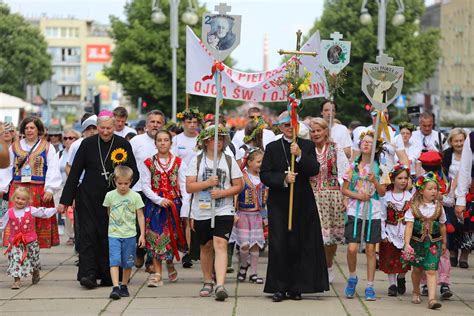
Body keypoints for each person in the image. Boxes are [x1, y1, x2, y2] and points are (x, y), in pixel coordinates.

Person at [58, 111, 139, 288]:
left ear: (114, 126)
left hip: (114, 201)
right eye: (101, 128)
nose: (105, 131)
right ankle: (89, 274)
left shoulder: (123, 144)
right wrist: (65, 200)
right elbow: (75, 173)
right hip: (88, 198)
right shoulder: (87, 144)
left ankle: (109, 275)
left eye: (109, 128)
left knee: (109, 237)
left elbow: (134, 172)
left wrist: (123, 190)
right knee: (87, 236)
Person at [260, 111, 329, 302]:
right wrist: (283, 178)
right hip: (279, 203)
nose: (291, 128)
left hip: (302, 201)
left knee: (300, 243)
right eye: (287, 125)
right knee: (280, 243)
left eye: (293, 125)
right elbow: (264, 174)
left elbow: (314, 169)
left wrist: (299, 156)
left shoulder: (306, 145)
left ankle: (297, 286)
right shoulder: (273, 147)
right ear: (281, 127)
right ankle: (279, 287)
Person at [186, 125, 243, 301]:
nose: (219, 142)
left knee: (220, 244)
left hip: (224, 209)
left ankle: (220, 284)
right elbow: (189, 187)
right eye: (214, 138)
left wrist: (222, 193)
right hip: (202, 210)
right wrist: (207, 183)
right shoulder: (196, 160)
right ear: (206, 141)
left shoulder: (229, 160)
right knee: (206, 246)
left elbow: (238, 185)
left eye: (222, 138)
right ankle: (207, 281)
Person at [0, 117, 62, 248]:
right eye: (27, 128)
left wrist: (50, 189)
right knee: (17, 221)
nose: (29, 130)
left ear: (38, 129)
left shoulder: (47, 147)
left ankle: (32, 257)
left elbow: (53, 168)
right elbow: (7, 167)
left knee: (35, 222)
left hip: (39, 191)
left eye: (32, 127)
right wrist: (2, 187)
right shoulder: (14, 147)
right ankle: (17, 255)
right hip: (18, 189)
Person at [342, 130, 387, 301]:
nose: (366, 144)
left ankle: (370, 286)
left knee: (370, 250)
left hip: (373, 210)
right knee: (352, 248)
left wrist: (375, 180)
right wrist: (358, 196)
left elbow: (382, 193)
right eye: (364, 142)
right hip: (355, 209)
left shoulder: (380, 168)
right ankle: (352, 277)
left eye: (370, 142)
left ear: (376, 148)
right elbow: (344, 189)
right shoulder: (353, 166)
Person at [141, 130, 187, 287]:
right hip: (155, 206)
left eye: (166, 140)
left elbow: (183, 186)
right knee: (155, 238)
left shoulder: (179, 162)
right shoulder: (148, 162)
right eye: (159, 140)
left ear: (171, 143)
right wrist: (159, 199)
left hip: (174, 205)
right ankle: (157, 274)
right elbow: (145, 186)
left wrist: (185, 206)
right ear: (155, 143)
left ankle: (169, 263)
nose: (162, 143)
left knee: (171, 237)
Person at [308, 118, 348, 284]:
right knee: (314, 234)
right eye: (313, 131)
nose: (316, 133)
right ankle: (314, 268)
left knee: (331, 237)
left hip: (332, 196)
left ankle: (328, 264)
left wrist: (345, 196)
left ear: (325, 131)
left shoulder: (335, 148)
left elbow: (346, 172)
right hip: (311, 195)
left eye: (319, 130)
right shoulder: (307, 148)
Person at [403, 172, 447, 310]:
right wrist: (407, 243)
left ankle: (432, 299)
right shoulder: (414, 207)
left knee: (431, 269)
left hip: (434, 243)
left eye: (435, 188)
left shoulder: (439, 207)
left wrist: (444, 242)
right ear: (421, 191)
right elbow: (409, 226)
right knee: (417, 269)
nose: (434, 191)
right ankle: (416, 291)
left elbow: (442, 225)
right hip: (417, 243)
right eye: (430, 188)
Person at [0, 187, 58, 289]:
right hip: (15, 242)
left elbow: (43, 212)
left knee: (33, 260)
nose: (20, 201)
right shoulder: (9, 212)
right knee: (16, 259)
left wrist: (56, 209)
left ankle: (35, 271)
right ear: (13, 198)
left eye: (23, 199)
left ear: (28, 201)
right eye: (18, 198)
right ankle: (16, 280)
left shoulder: (30, 210)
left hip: (30, 241)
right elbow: (1, 225)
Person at [103, 166, 145, 300]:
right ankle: (115, 287)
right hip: (114, 234)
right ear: (115, 181)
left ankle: (124, 285)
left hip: (130, 235)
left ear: (131, 182)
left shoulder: (135, 196)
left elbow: (140, 215)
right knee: (114, 261)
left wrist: (142, 234)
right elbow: (109, 211)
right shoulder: (110, 195)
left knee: (128, 262)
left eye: (126, 184)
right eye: (120, 183)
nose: (122, 186)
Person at [130, 110, 165, 269]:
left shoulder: (165, 141)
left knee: (155, 226)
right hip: (137, 189)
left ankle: (151, 260)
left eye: (158, 122)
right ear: (146, 125)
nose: (155, 125)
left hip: (158, 191)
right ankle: (139, 252)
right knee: (138, 226)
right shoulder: (136, 141)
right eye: (152, 122)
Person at [230, 148, 267, 284]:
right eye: (258, 161)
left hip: (257, 215)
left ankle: (254, 273)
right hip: (243, 215)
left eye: (262, 161)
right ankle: (244, 265)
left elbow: (265, 198)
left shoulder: (263, 177)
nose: (261, 164)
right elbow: (235, 195)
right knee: (244, 244)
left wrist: (265, 216)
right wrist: (234, 212)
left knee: (255, 245)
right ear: (250, 162)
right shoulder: (242, 177)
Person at [380, 164, 412, 297]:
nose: (403, 181)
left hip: (405, 231)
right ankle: (392, 284)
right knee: (391, 258)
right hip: (390, 230)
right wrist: (383, 232)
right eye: (400, 178)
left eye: (405, 178)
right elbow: (382, 216)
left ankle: (401, 277)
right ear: (393, 180)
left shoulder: (410, 196)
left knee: (405, 258)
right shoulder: (386, 196)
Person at [441, 128, 470, 268]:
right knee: (452, 223)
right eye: (456, 141)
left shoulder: (471, 154)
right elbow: (443, 173)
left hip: (468, 192)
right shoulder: (447, 155)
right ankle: (453, 252)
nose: (459, 143)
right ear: (451, 142)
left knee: (468, 225)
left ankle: (464, 254)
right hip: (450, 193)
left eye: (461, 140)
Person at [54, 129, 80, 246]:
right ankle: (69, 235)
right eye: (65, 138)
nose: (68, 140)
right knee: (62, 211)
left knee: (73, 211)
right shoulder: (59, 154)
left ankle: (75, 235)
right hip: (61, 187)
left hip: (75, 186)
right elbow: (54, 170)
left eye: (71, 138)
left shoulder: (79, 152)